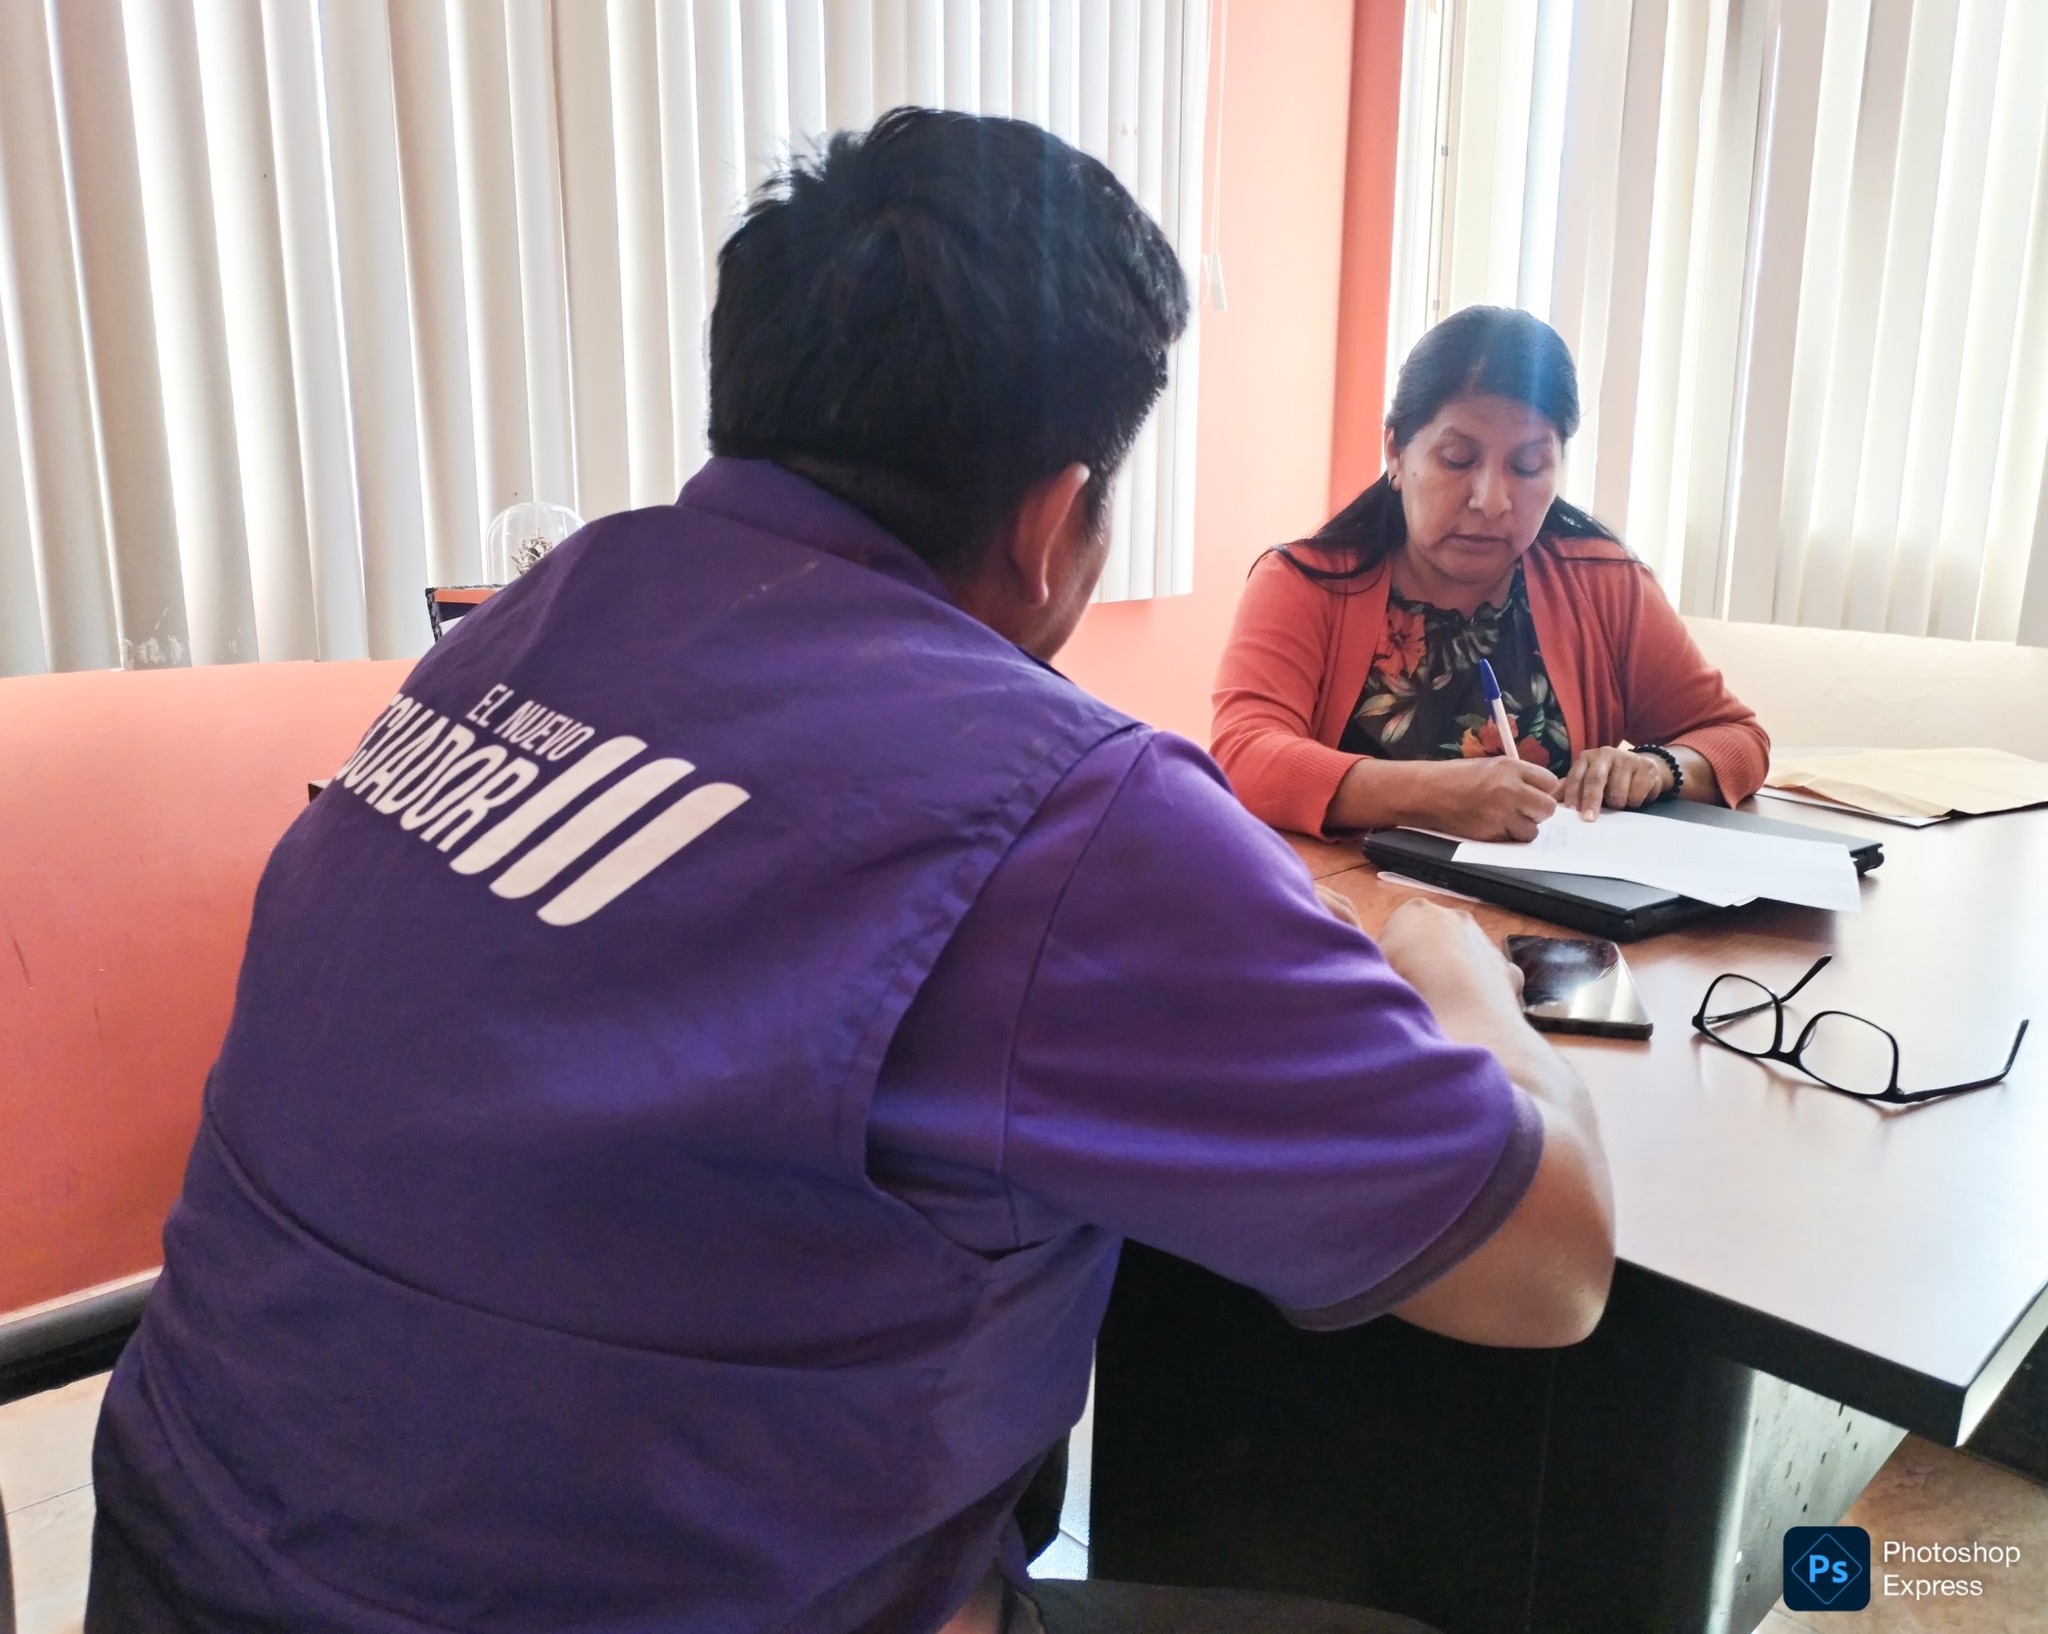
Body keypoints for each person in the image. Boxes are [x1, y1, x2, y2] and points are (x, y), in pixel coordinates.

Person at [86, 114, 1612, 1634]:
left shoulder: (521, 626)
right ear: (1054, 517)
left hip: (170, 1566)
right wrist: (1451, 964)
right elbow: (1547, 1266)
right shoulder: (1064, 810)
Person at [1212, 306, 1769, 843]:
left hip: (1547, 902)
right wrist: (1427, 794)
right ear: (1396, 452)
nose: (1492, 500)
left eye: (1527, 467)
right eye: (1458, 459)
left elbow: (1736, 738)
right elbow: (1241, 757)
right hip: (1348, 900)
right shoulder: (1307, 583)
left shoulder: (1603, 583)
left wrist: (1658, 768)